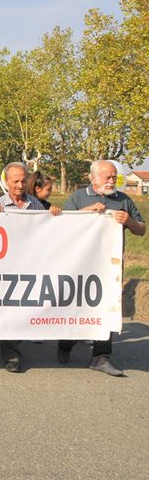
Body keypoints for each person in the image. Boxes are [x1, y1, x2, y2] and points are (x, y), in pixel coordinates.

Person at [57, 160, 145, 376]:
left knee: (107, 309)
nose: (112, 180)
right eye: (108, 177)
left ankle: (101, 357)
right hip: (79, 266)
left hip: (109, 268)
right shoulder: (78, 198)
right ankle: (66, 342)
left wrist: (129, 221)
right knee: (78, 306)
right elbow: (61, 226)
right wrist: (87, 212)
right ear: (92, 178)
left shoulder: (123, 200)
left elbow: (141, 229)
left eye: (114, 177)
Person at [0, 161, 61, 373]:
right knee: (10, 307)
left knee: (23, 306)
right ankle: (11, 354)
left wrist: (55, 216)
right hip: (6, 266)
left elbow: (45, 229)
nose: (20, 185)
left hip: (29, 264)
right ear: (6, 181)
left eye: (23, 181)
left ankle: (12, 340)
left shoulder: (35, 204)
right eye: (15, 181)